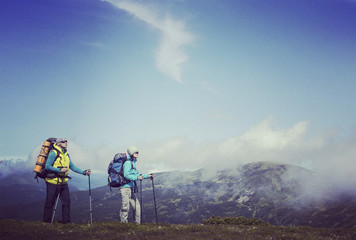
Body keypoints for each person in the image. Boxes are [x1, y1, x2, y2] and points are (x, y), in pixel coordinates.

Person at [43, 137, 91, 223]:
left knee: (66, 202)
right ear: (58, 143)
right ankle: (46, 221)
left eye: (66, 141)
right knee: (50, 202)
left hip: (63, 182)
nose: (66, 143)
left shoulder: (66, 154)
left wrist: (84, 172)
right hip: (52, 182)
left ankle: (67, 222)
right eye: (63, 141)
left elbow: (72, 166)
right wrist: (59, 170)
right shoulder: (53, 153)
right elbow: (47, 166)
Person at [120, 145, 153, 224]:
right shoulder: (128, 163)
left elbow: (137, 174)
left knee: (136, 207)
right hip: (125, 188)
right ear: (131, 153)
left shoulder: (132, 163)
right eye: (136, 152)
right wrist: (137, 177)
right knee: (125, 207)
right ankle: (123, 224)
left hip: (131, 188)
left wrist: (148, 176)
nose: (138, 153)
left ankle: (137, 224)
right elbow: (126, 175)